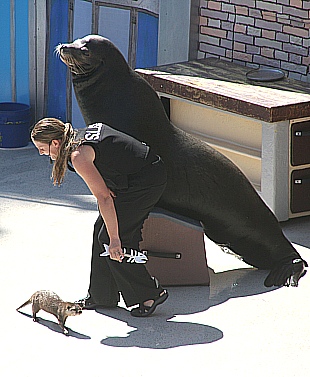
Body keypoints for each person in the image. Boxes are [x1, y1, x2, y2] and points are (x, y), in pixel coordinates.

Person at [31, 118, 168, 317]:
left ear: (55, 143)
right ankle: (101, 296)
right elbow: (112, 160)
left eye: (42, 149)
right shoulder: (77, 138)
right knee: (100, 232)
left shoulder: (78, 155)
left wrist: (114, 239)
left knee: (111, 240)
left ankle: (149, 294)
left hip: (147, 180)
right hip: (136, 176)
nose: (42, 154)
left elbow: (104, 198)